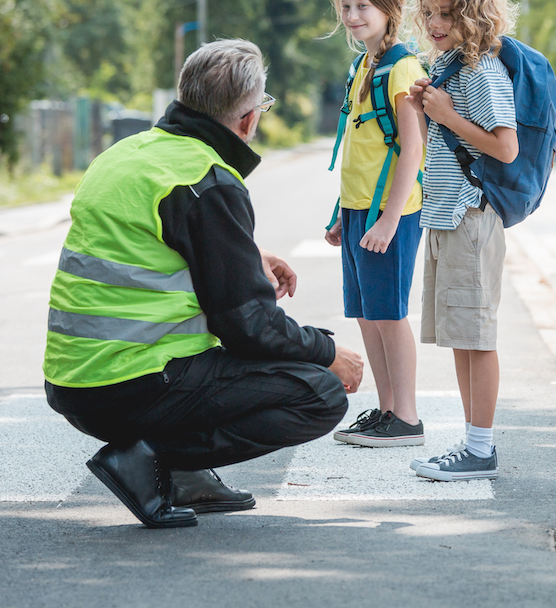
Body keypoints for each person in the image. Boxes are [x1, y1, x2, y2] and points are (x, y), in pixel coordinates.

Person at [44, 39, 364, 528]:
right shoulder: (206, 180)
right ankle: (154, 458)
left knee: (274, 372)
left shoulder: (125, 155)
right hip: (137, 382)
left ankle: (184, 473)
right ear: (248, 119)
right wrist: (326, 352)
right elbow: (248, 327)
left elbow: (147, 242)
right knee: (319, 394)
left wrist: (247, 253)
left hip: (74, 383)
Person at [402, 0, 519, 481]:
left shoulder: (482, 70)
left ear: (474, 13)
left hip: (471, 217)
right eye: (428, 14)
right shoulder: (447, 67)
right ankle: (473, 444)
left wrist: (446, 114)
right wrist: (427, 110)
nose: (435, 25)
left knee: (478, 334)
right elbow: (442, 142)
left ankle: (482, 448)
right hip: (447, 217)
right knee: (460, 333)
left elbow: (506, 148)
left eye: (447, 14)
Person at [323, 0, 428, 447]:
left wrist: (387, 219)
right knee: (367, 312)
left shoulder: (403, 68)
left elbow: (413, 150)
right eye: (345, 6)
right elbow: (361, 149)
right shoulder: (363, 64)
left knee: (389, 312)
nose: (352, 15)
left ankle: (405, 416)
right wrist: (343, 215)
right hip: (358, 211)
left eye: (363, 5)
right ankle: (386, 409)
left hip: (393, 212)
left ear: (389, 7)